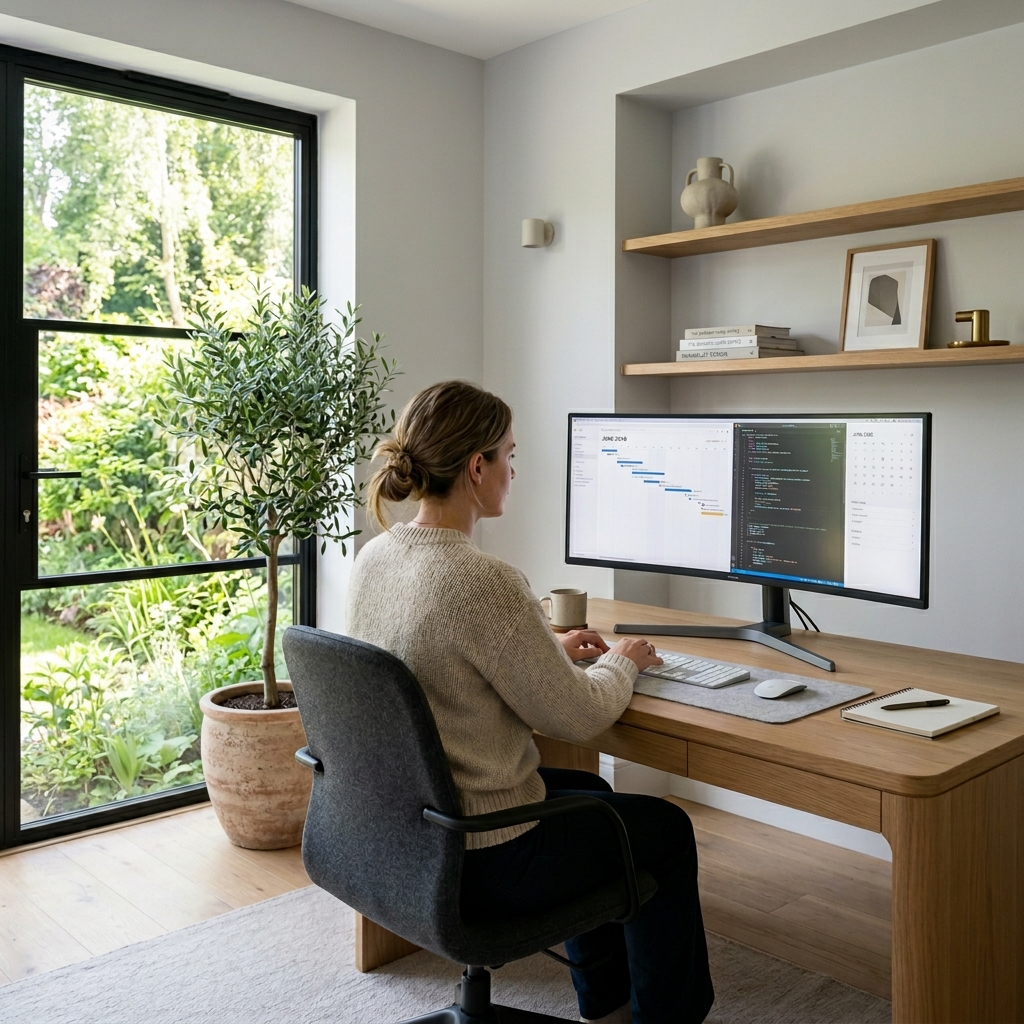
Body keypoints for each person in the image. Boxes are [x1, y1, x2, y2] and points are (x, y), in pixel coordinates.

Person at [346, 380, 714, 1024]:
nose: (514, 471)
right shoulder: (484, 581)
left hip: (401, 833)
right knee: (666, 830)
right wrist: (623, 662)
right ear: (477, 468)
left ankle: (606, 1005)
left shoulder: (375, 558)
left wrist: (542, 649)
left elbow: (436, 660)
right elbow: (579, 716)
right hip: (484, 854)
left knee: (593, 796)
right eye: (509, 455)